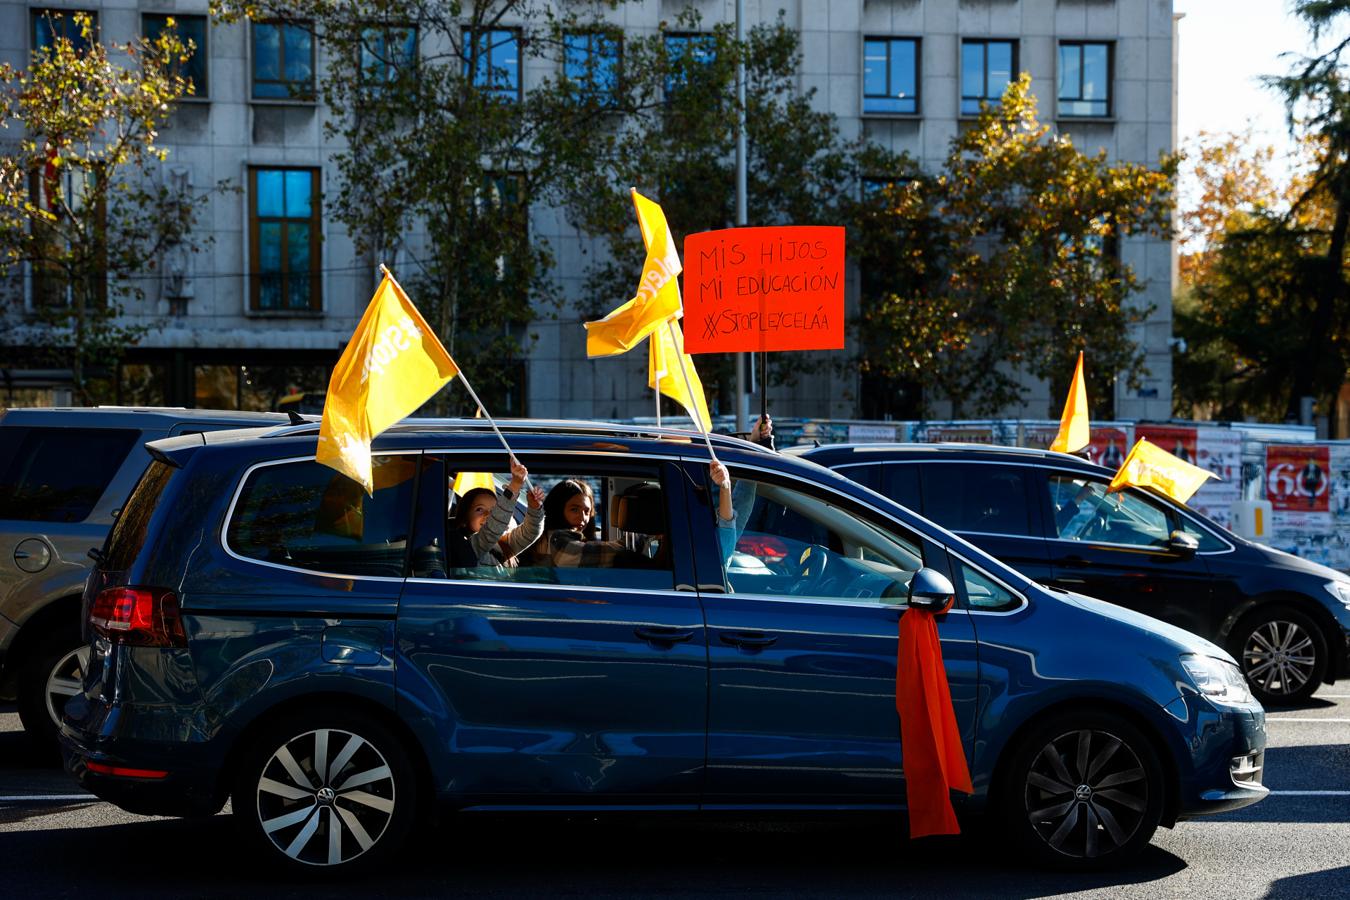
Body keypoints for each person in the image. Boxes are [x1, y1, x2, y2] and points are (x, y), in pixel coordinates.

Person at [448, 457, 545, 569]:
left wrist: (534, 507)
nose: (489, 514)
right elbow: (493, 529)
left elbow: (531, 532)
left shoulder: (503, 545)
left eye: (494, 510)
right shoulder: (469, 546)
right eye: (479, 509)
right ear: (464, 519)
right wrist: (515, 486)